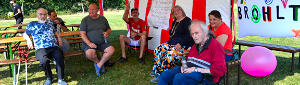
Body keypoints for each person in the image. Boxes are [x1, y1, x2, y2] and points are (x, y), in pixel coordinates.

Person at [158, 21, 227, 85]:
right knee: (165, 74)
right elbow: (188, 58)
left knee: (179, 78)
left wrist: (195, 69)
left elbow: (220, 71)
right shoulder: (196, 45)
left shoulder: (216, 46)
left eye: (196, 33)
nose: (194, 36)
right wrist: (183, 66)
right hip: (189, 69)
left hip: (204, 74)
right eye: (192, 34)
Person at [150, 5, 194, 83]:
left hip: (182, 45)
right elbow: (172, 33)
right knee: (157, 49)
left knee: (169, 54)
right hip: (172, 43)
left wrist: (181, 43)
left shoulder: (187, 20)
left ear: (182, 11)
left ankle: (162, 74)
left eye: (178, 10)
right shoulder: (175, 21)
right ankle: (156, 70)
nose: (176, 12)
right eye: (174, 11)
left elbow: (189, 35)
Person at [23, 8, 67, 85]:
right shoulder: (32, 24)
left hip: (53, 46)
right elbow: (25, 34)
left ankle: (61, 79)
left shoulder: (50, 23)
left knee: (60, 57)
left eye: (44, 14)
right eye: (41, 14)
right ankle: (49, 77)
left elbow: (55, 31)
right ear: (37, 15)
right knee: (44, 61)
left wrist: (59, 38)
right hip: (41, 48)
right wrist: (28, 40)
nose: (43, 16)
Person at [80, 3, 115, 76]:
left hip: (102, 42)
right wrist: (89, 43)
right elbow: (82, 34)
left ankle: (99, 65)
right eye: (89, 9)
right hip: (89, 43)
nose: (90, 11)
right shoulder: (85, 20)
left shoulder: (103, 18)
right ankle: (98, 61)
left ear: (97, 10)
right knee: (89, 54)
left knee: (111, 50)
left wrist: (107, 33)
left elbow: (109, 29)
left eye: (92, 9)